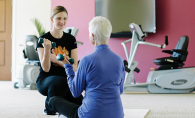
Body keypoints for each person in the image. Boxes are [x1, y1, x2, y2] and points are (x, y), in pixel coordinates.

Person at [48, 16, 125, 118]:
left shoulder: (86, 60)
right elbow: (120, 90)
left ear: (92, 36)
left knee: (53, 100)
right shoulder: (119, 60)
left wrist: (67, 66)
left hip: (89, 115)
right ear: (108, 35)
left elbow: (75, 92)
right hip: (117, 115)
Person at [36, 6, 83, 115]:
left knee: (81, 104)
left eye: (65, 18)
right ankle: (49, 105)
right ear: (52, 19)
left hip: (66, 82)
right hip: (45, 80)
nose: (62, 21)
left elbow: (75, 67)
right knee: (59, 81)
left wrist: (57, 60)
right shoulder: (43, 39)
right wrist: (47, 50)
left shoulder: (71, 39)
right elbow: (46, 68)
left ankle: (54, 103)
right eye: (58, 18)